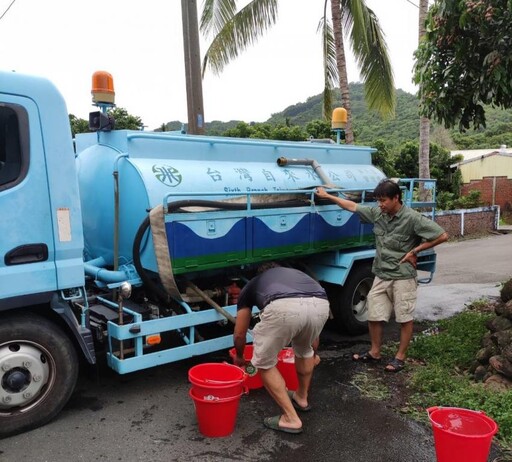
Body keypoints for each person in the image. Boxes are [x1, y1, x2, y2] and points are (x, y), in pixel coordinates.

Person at [315, 179, 448, 373]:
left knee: (404, 318)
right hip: (381, 274)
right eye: (378, 200)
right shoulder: (379, 214)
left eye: (384, 200)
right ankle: (375, 352)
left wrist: (415, 251)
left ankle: (400, 357)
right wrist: (328, 196)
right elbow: (352, 206)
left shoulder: (412, 218)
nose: (380, 204)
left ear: (396, 198)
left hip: (402, 276)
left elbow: (442, 235)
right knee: (374, 315)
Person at [233, 262, 330, 434]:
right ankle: (301, 398)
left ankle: (291, 419)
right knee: (304, 351)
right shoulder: (299, 276)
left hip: (283, 307)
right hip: (321, 304)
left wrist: (240, 356)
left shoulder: (254, 283)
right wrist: (314, 354)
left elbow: (240, 334)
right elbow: (313, 339)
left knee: (263, 363)